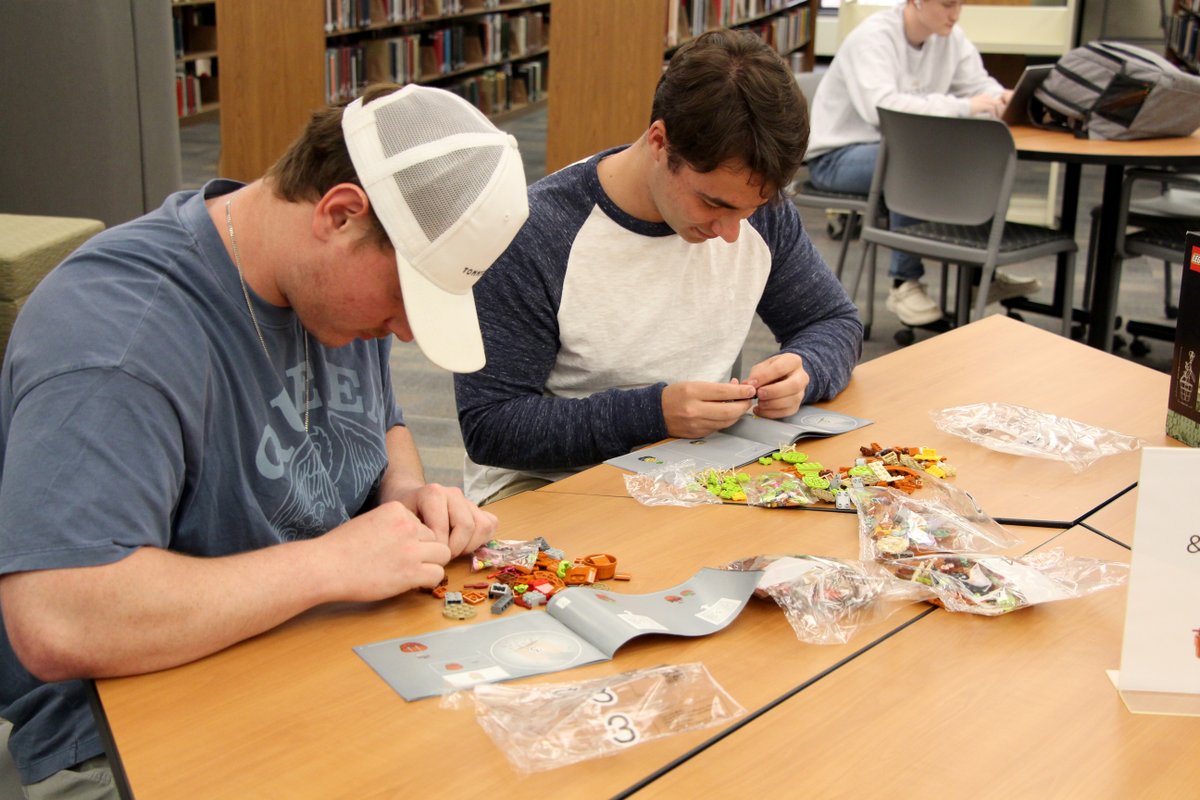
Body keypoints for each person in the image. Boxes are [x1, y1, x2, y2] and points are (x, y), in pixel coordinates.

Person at [0, 83, 528, 797]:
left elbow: (383, 421)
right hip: (124, 737)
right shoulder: (118, 338)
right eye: (405, 298)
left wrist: (402, 492)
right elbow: (59, 619)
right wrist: (330, 565)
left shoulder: (327, 295)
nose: (405, 331)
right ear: (340, 214)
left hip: (315, 659)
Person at [454, 29, 864, 506]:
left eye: (749, 210)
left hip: (694, 466)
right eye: (713, 203)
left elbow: (832, 322)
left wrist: (805, 370)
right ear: (659, 142)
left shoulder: (758, 209)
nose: (731, 232)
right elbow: (490, 426)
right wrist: (653, 414)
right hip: (548, 485)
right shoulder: (534, 234)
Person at [805, 0, 1040, 328]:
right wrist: (964, 107)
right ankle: (904, 282)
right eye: (946, 4)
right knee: (915, 157)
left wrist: (999, 98)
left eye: (959, 4)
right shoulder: (872, 39)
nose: (954, 14)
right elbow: (884, 110)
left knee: (977, 158)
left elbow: (978, 86)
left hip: (892, 152)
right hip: (837, 158)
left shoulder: (950, 38)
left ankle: (976, 278)